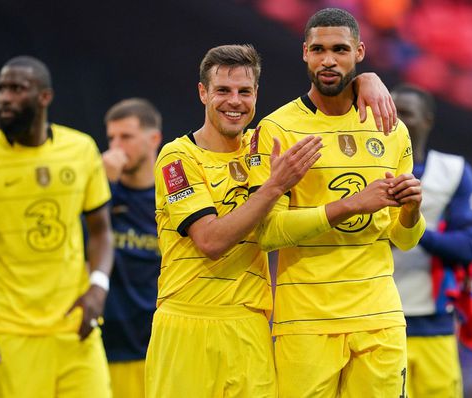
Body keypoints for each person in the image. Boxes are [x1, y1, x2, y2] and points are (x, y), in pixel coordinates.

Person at [145, 44, 396, 397]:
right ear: (203, 93)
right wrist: (275, 186)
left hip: (251, 324)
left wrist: (364, 80)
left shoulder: (263, 147)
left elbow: (324, 100)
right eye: (223, 91)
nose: (235, 101)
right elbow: (210, 241)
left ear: (256, 95)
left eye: (244, 92)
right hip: (187, 321)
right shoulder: (177, 158)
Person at [249, 8, 426, 397]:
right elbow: (267, 233)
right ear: (305, 53)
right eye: (319, 49)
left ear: (359, 51)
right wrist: (350, 205)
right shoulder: (277, 129)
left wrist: (411, 211)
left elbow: (404, 239)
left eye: (340, 49)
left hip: (379, 315)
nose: (328, 59)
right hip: (306, 320)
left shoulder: (390, 127)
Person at [0, 56, 113, 398]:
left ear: (44, 97)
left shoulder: (81, 150)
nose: (5, 98)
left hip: (75, 330)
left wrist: (98, 287)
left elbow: (101, 231)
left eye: (17, 89)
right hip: (10, 334)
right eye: (1, 89)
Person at [390, 84, 472, 397]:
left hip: (434, 324)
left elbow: (468, 247)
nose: (396, 121)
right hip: (376, 322)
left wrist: (411, 227)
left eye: (406, 113)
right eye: (391, 112)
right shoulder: (365, 169)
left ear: (427, 120)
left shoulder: (452, 171)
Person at [100, 98, 162, 398]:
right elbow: (82, 241)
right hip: (106, 347)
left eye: (125, 137)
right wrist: (105, 186)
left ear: (153, 139)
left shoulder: (171, 199)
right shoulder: (101, 193)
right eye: (111, 137)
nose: (115, 146)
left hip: (157, 348)